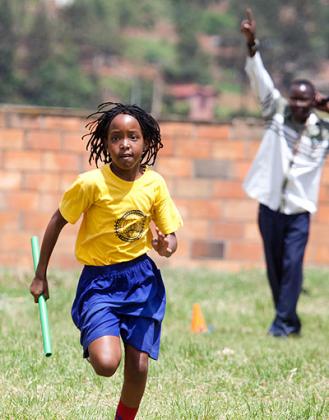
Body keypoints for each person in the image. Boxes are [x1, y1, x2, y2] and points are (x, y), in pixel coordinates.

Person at [30, 101, 183, 419]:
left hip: (142, 280)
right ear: (105, 143)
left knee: (139, 365)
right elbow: (57, 221)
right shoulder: (90, 184)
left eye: (133, 136)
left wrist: (164, 245)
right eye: (116, 137)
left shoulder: (154, 184)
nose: (124, 144)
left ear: (146, 143)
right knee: (106, 364)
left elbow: (171, 240)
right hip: (100, 282)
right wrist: (40, 274)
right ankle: (97, 334)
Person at [240, 9, 329, 337]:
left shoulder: (323, 131)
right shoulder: (276, 113)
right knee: (275, 267)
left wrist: (325, 105)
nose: (298, 105)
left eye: (305, 101)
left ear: (314, 101)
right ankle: (288, 321)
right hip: (269, 205)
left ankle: (282, 324)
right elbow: (259, 78)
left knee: (292, 266)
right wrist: (252, 44)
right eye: (295, 99)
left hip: (298, 211)